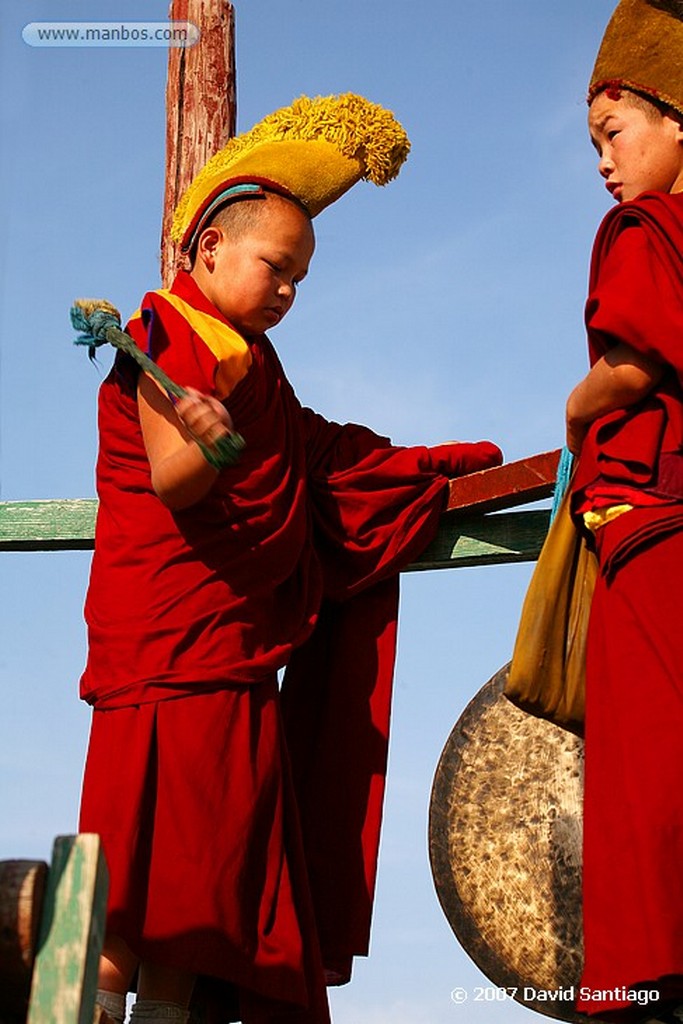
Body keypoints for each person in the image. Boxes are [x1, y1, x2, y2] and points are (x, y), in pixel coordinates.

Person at [77, 93, 502, 1024]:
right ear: (208, 252)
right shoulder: (160, 336)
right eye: (274, 266)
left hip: (230, 661)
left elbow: (308, 454)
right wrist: (204, 424)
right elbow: (176, 481)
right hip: (166, 652)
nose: (285, 292)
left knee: (208, 897)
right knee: (119, 890)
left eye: (300, 278)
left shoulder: (253, 363)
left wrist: (422, 467)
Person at [565, 3, 683, 1021]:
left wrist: (574, 401)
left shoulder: (641, 231)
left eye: (614, 134)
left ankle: (643, 986)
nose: (603, 166)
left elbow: (635, 362)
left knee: (644, 793)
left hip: (649, 542)